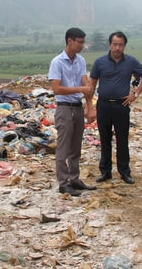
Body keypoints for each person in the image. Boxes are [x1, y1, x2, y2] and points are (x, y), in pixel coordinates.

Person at [89, 31, 142, 184]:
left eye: (121, 45)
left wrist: (135, 94)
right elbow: (92, 83)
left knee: (122, 139)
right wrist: (89, 105)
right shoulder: (100, 62)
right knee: (104, 139)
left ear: (124, 46)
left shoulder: (131, 62)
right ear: (110, 45)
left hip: (121, 105)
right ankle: (105, 172)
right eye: (115, 44)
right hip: (103, 104)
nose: (117, 48)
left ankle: (124, 172)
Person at [48, 27, 96, 197]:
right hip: (64, 108)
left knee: (76, 147)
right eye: (80, 42)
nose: (82, 45)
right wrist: (80, 88)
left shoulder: (81, 61)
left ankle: (74, 179)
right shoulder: (57, 62)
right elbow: (57, 89)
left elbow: (86, 87)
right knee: (63, 148)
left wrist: (90, 107)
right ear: (70, 41)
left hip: (77, 107)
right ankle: (63, 182)